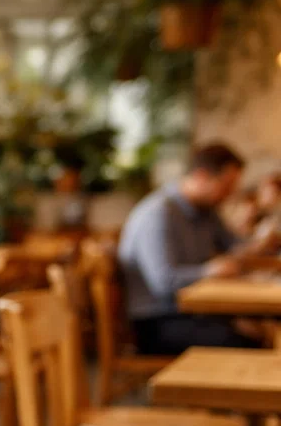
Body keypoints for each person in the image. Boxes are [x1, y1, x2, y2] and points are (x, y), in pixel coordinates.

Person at [117, 142, 278, 355]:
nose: (229, 194)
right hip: (158, 320)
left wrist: (260, 240)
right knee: (244, 342)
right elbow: (164, 282)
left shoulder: (206, 212)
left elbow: (235, 246)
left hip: (195, 311)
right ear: (201, 176)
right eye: (225, 186)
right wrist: (209, 271)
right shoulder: (158, 214)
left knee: (263, 328)